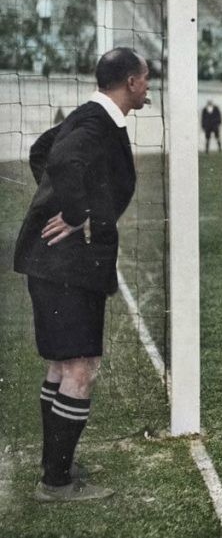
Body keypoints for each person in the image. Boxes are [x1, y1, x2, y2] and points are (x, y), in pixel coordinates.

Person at [14, 47, 150, 502]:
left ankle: (56, 467)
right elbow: (64, 159)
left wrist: (60, 203)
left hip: (54, 262)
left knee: (63, 363)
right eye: (146, 80)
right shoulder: (96, 123)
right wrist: (76, 212)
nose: (148, 88)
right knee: (80, 366)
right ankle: (56, 484)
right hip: (65, 263)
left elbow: (41, 151)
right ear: (131, 82)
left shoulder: (91, 114)